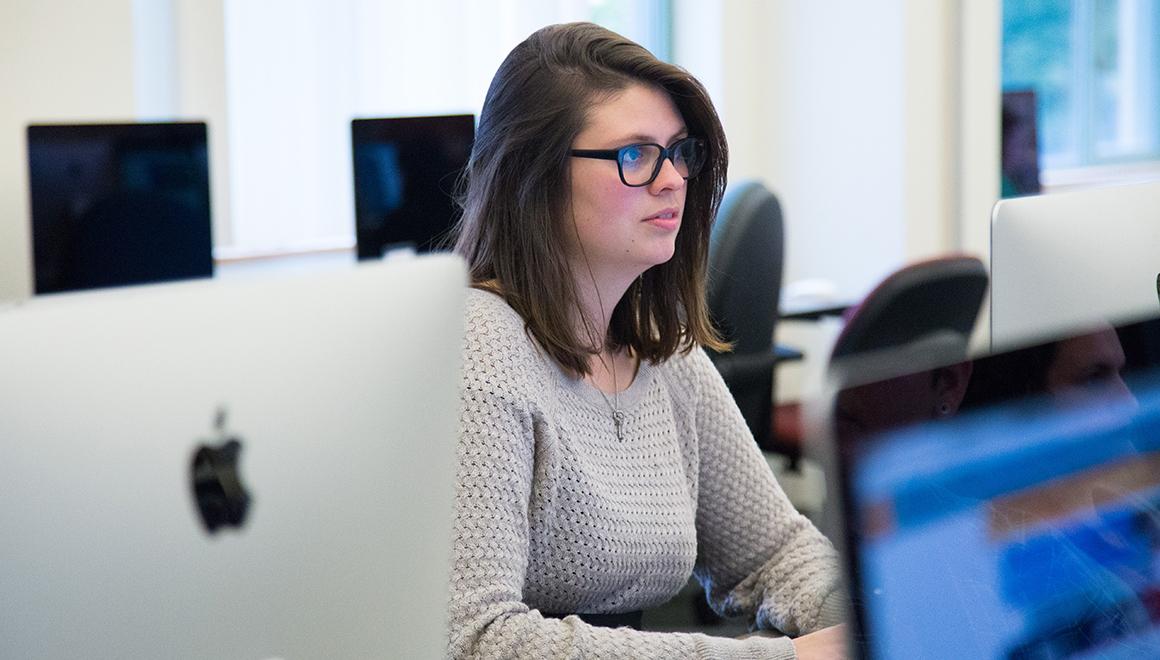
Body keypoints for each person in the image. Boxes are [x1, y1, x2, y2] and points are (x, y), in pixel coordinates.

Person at [447, 22, 847, 659]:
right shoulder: (480, 349)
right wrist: (787, 657)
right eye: (634, 155)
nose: (673, 180)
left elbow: (774, 552)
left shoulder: (665, 356)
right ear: (537, 177)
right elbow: (476, 642)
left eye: (679, 152)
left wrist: (873, 618)